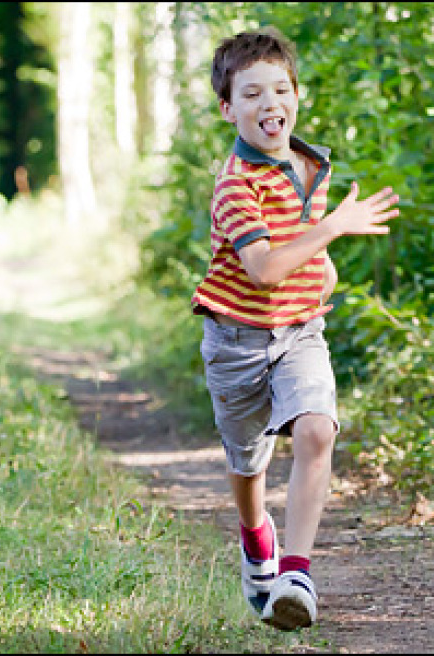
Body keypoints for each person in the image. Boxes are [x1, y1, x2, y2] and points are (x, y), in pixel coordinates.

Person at [192, 27, 400, 631]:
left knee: (316, 431)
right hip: (236, 341)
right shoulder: (235, 183)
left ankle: (297, 573)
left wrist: (323, 272)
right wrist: (333, 231)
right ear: (228, 109)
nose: (269, 104)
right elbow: (262, 269)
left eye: (280, 89)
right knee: (248, 462)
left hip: (301, 333)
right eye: (251, 94)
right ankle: (257, 538)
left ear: (297, 96)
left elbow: (303, 243)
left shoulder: (312, 166)